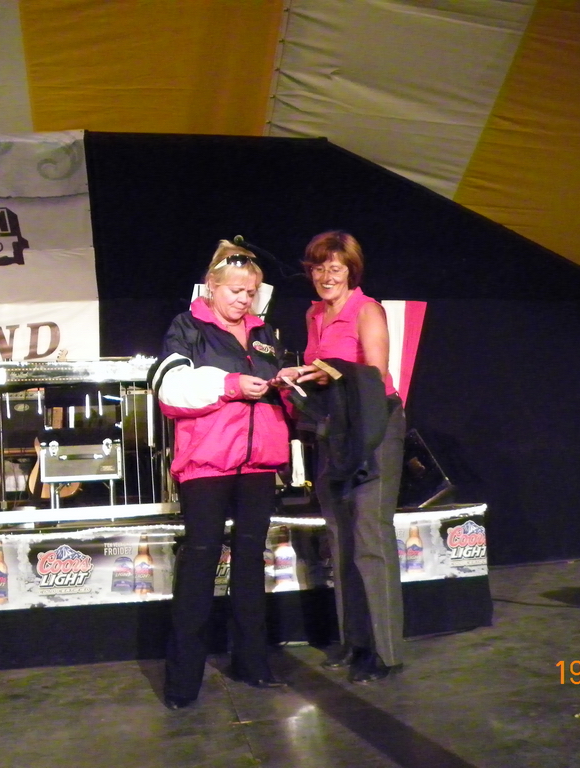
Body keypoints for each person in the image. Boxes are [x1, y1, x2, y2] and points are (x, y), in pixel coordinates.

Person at [152, 240, 291, 710]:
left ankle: (253, 663)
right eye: (235, 291)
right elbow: (170, 390)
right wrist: (231, 385)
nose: (243, 300)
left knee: (251, 561)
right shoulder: (187, 327)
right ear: (211, 287)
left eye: (250, 292)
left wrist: (289, 385)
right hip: (207, 462)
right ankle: (182, 682)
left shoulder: (265, 333)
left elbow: (271, 392)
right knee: (200, 561)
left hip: (258, 463)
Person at [277, 230, 407, 684]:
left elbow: (373, 376)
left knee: (371, 536)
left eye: (335, 268)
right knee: (340, 538)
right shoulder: (315, 313)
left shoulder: (367, 309)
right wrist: (299, 377)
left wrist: (326, 373)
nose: (326, 276)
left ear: (351, 271)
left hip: (373, 428)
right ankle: (354, 642)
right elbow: (325, 373)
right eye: (318, 268)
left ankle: (385, 652)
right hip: (335, 430)